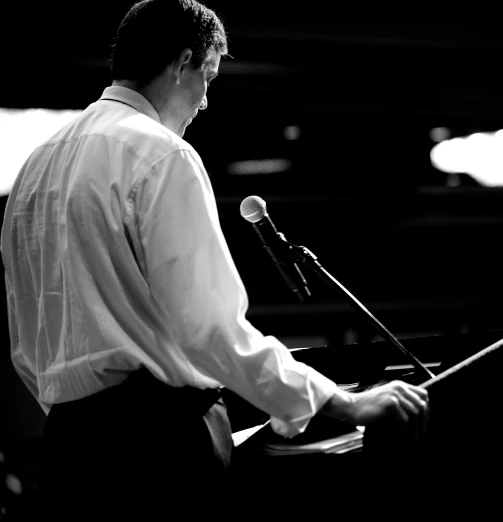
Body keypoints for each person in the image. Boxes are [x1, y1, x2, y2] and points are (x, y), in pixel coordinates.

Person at [0, 0, 428, 519]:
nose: (204, 102)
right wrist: (340, 402)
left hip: (68, 452)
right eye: (208, 77)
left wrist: (83, 420)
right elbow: (208, 329)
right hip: (160, 453)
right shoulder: (159, 154)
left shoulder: (33, 171)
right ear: (183, 62)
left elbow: (25, 345)